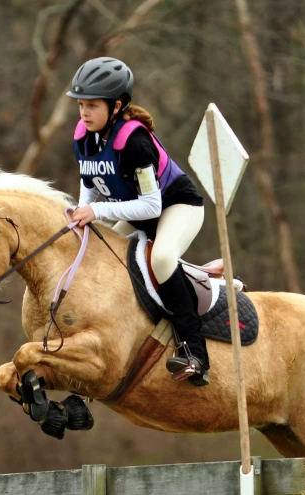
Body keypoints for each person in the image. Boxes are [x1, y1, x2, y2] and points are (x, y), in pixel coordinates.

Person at [67, 57, 209, 386]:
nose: (84, 113)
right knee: (100, 254)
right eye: (81, 105)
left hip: (176, 207)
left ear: (116, 106)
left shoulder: (135, 142)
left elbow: (150, 205)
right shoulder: (84, 136)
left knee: (161, 257)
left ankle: (195, 354)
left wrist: (97, 213)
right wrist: (82, 212)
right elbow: (89, 183)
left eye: (92, 106)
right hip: (133, 210)